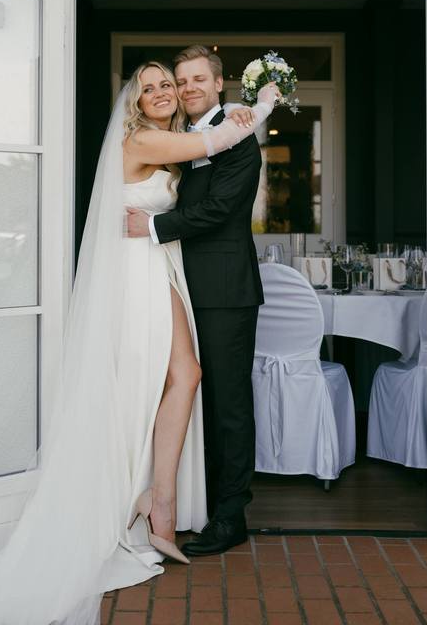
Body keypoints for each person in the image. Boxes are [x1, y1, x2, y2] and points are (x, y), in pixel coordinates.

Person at [0, 60, 277, 625]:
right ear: (136, 100)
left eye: (170, 84)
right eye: (153, 86)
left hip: (163, 268)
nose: (165, 91)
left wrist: (236, 110)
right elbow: (214, 141)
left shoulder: (174, 142)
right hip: (138, 271)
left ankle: (162, 500)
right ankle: (150, 501)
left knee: (183, 379)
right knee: (160, 380)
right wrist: (261, 106)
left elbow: (212, 166)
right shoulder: (144, 139)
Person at [127, 46, 272, 557]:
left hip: (223, 289)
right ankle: (188, 502)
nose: (187, 88)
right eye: (180, 80)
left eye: (197, 80)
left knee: (227, 403)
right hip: (171, 284)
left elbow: (219, 209)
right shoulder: (178, 139)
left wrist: (153, 225)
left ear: (218, 84)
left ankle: (230, 515)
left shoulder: (239, 137)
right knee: (179, 390)